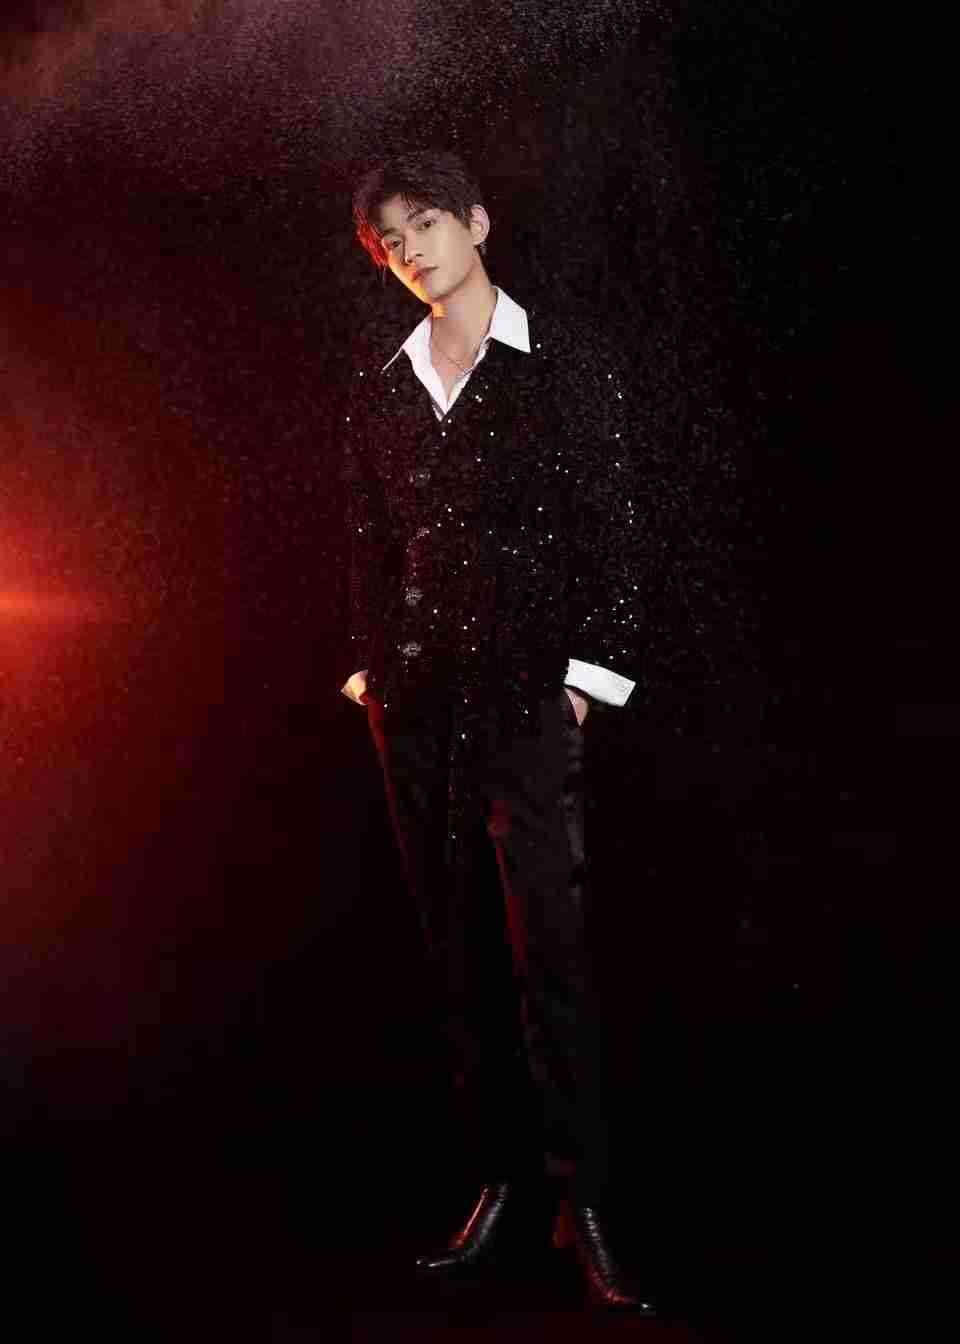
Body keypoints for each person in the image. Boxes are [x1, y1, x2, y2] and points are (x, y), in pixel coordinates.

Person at [338, 150, 654, 1311]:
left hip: (528, 698)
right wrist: (370, 675)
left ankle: (584, 1201)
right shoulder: (384, 387)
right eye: (391, 243)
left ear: (475, 222)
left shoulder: (564, 364)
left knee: (548, 955)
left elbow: (613, 532)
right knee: (455, 950)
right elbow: (368, 543)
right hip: (418, 710)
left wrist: (583, 688)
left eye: (425, 225)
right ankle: (496, 1184)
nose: (411, 252)